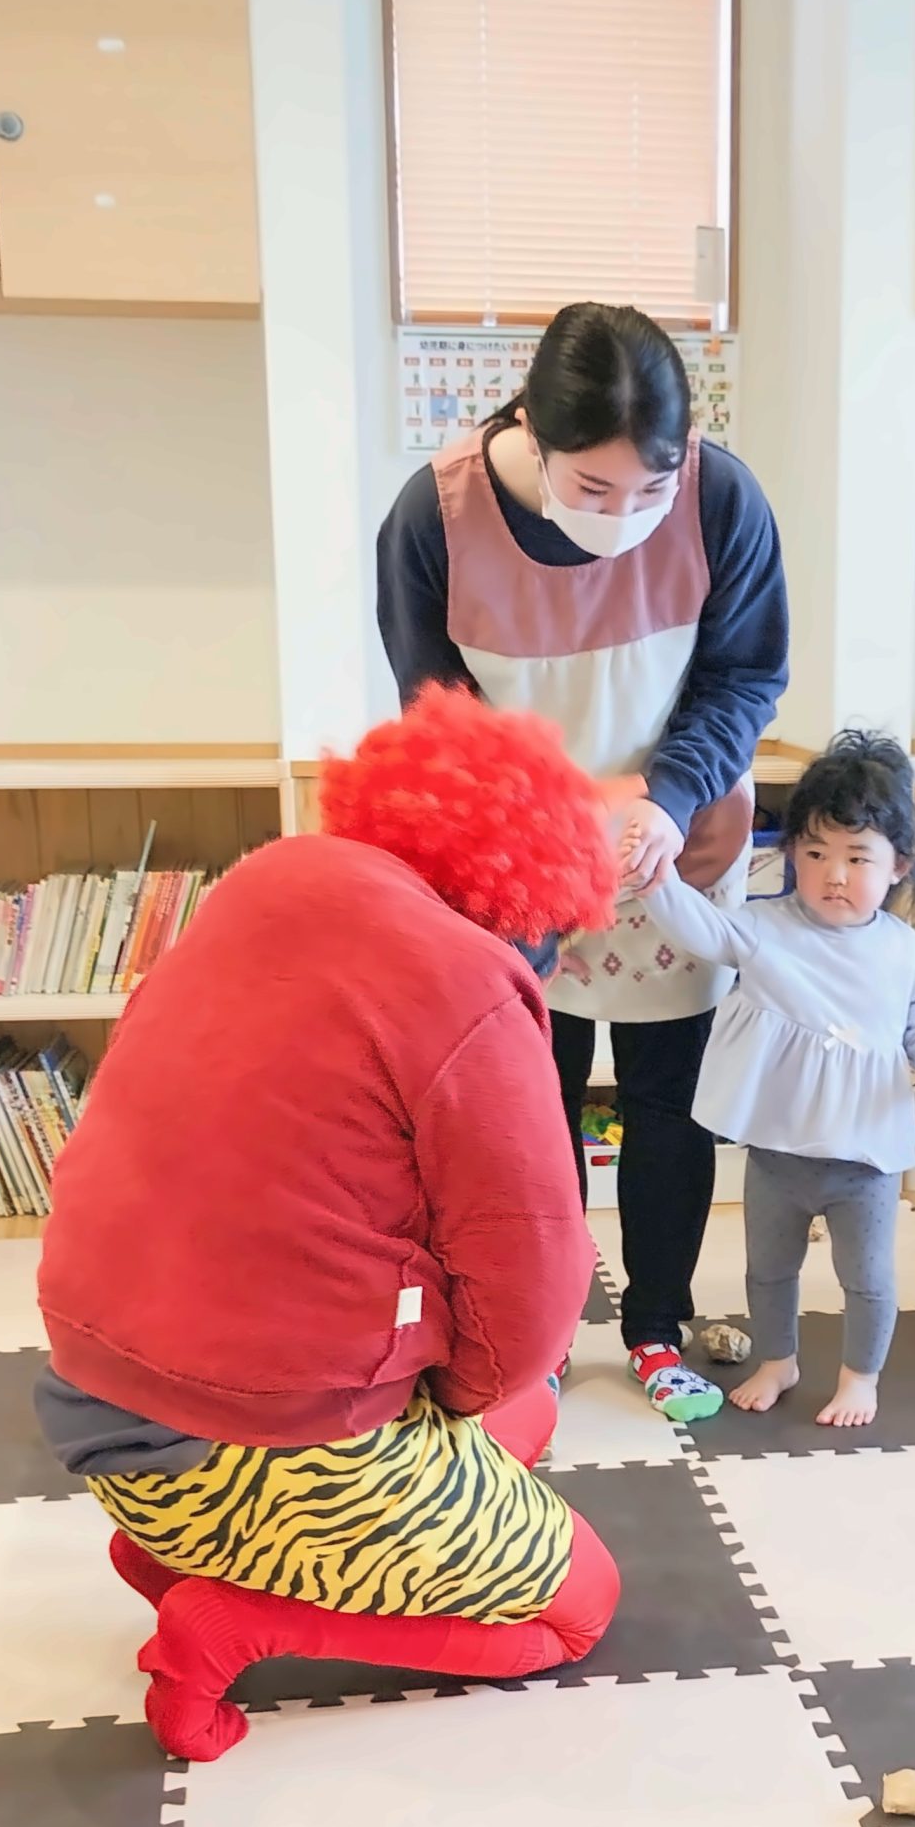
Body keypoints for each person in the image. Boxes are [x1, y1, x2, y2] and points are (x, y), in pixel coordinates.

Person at [33, 689, 623, 1760]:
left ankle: (181, 1558)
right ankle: (238, 1620)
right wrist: (454, 1388)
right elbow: (534, 1294)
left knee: (526, 1411)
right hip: (256, 1450)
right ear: (532, 907)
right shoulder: (471, 981)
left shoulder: (268, 880)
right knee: (578, 1605)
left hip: (99, 1410)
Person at [377, 301, 790, 1424]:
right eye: (593, 489)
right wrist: (545, 826)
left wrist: (665, 798)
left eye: (648, 489)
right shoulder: (435, 515)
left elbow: (746, 677)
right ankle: (541, 1330)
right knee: (529, 1106)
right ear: (534, 432)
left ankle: (656, 1325)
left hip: (676, 841)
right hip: (518, 857)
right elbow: (437, 711)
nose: (624, 518)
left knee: (668, 1100)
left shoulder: (720, 497)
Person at [636, 731, 915, 1428]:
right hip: (778, 1152)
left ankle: (860, 1378)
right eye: (816, 853)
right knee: (767, 1270)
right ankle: (777, 1360)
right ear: (791, 853)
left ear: (897, 865)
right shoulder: (765, 926)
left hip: (864, 1159)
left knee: (867, 1279)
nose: (834, 875)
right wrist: (655, 876)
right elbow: (700, 929)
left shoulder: (905, 953)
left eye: (857, 857)